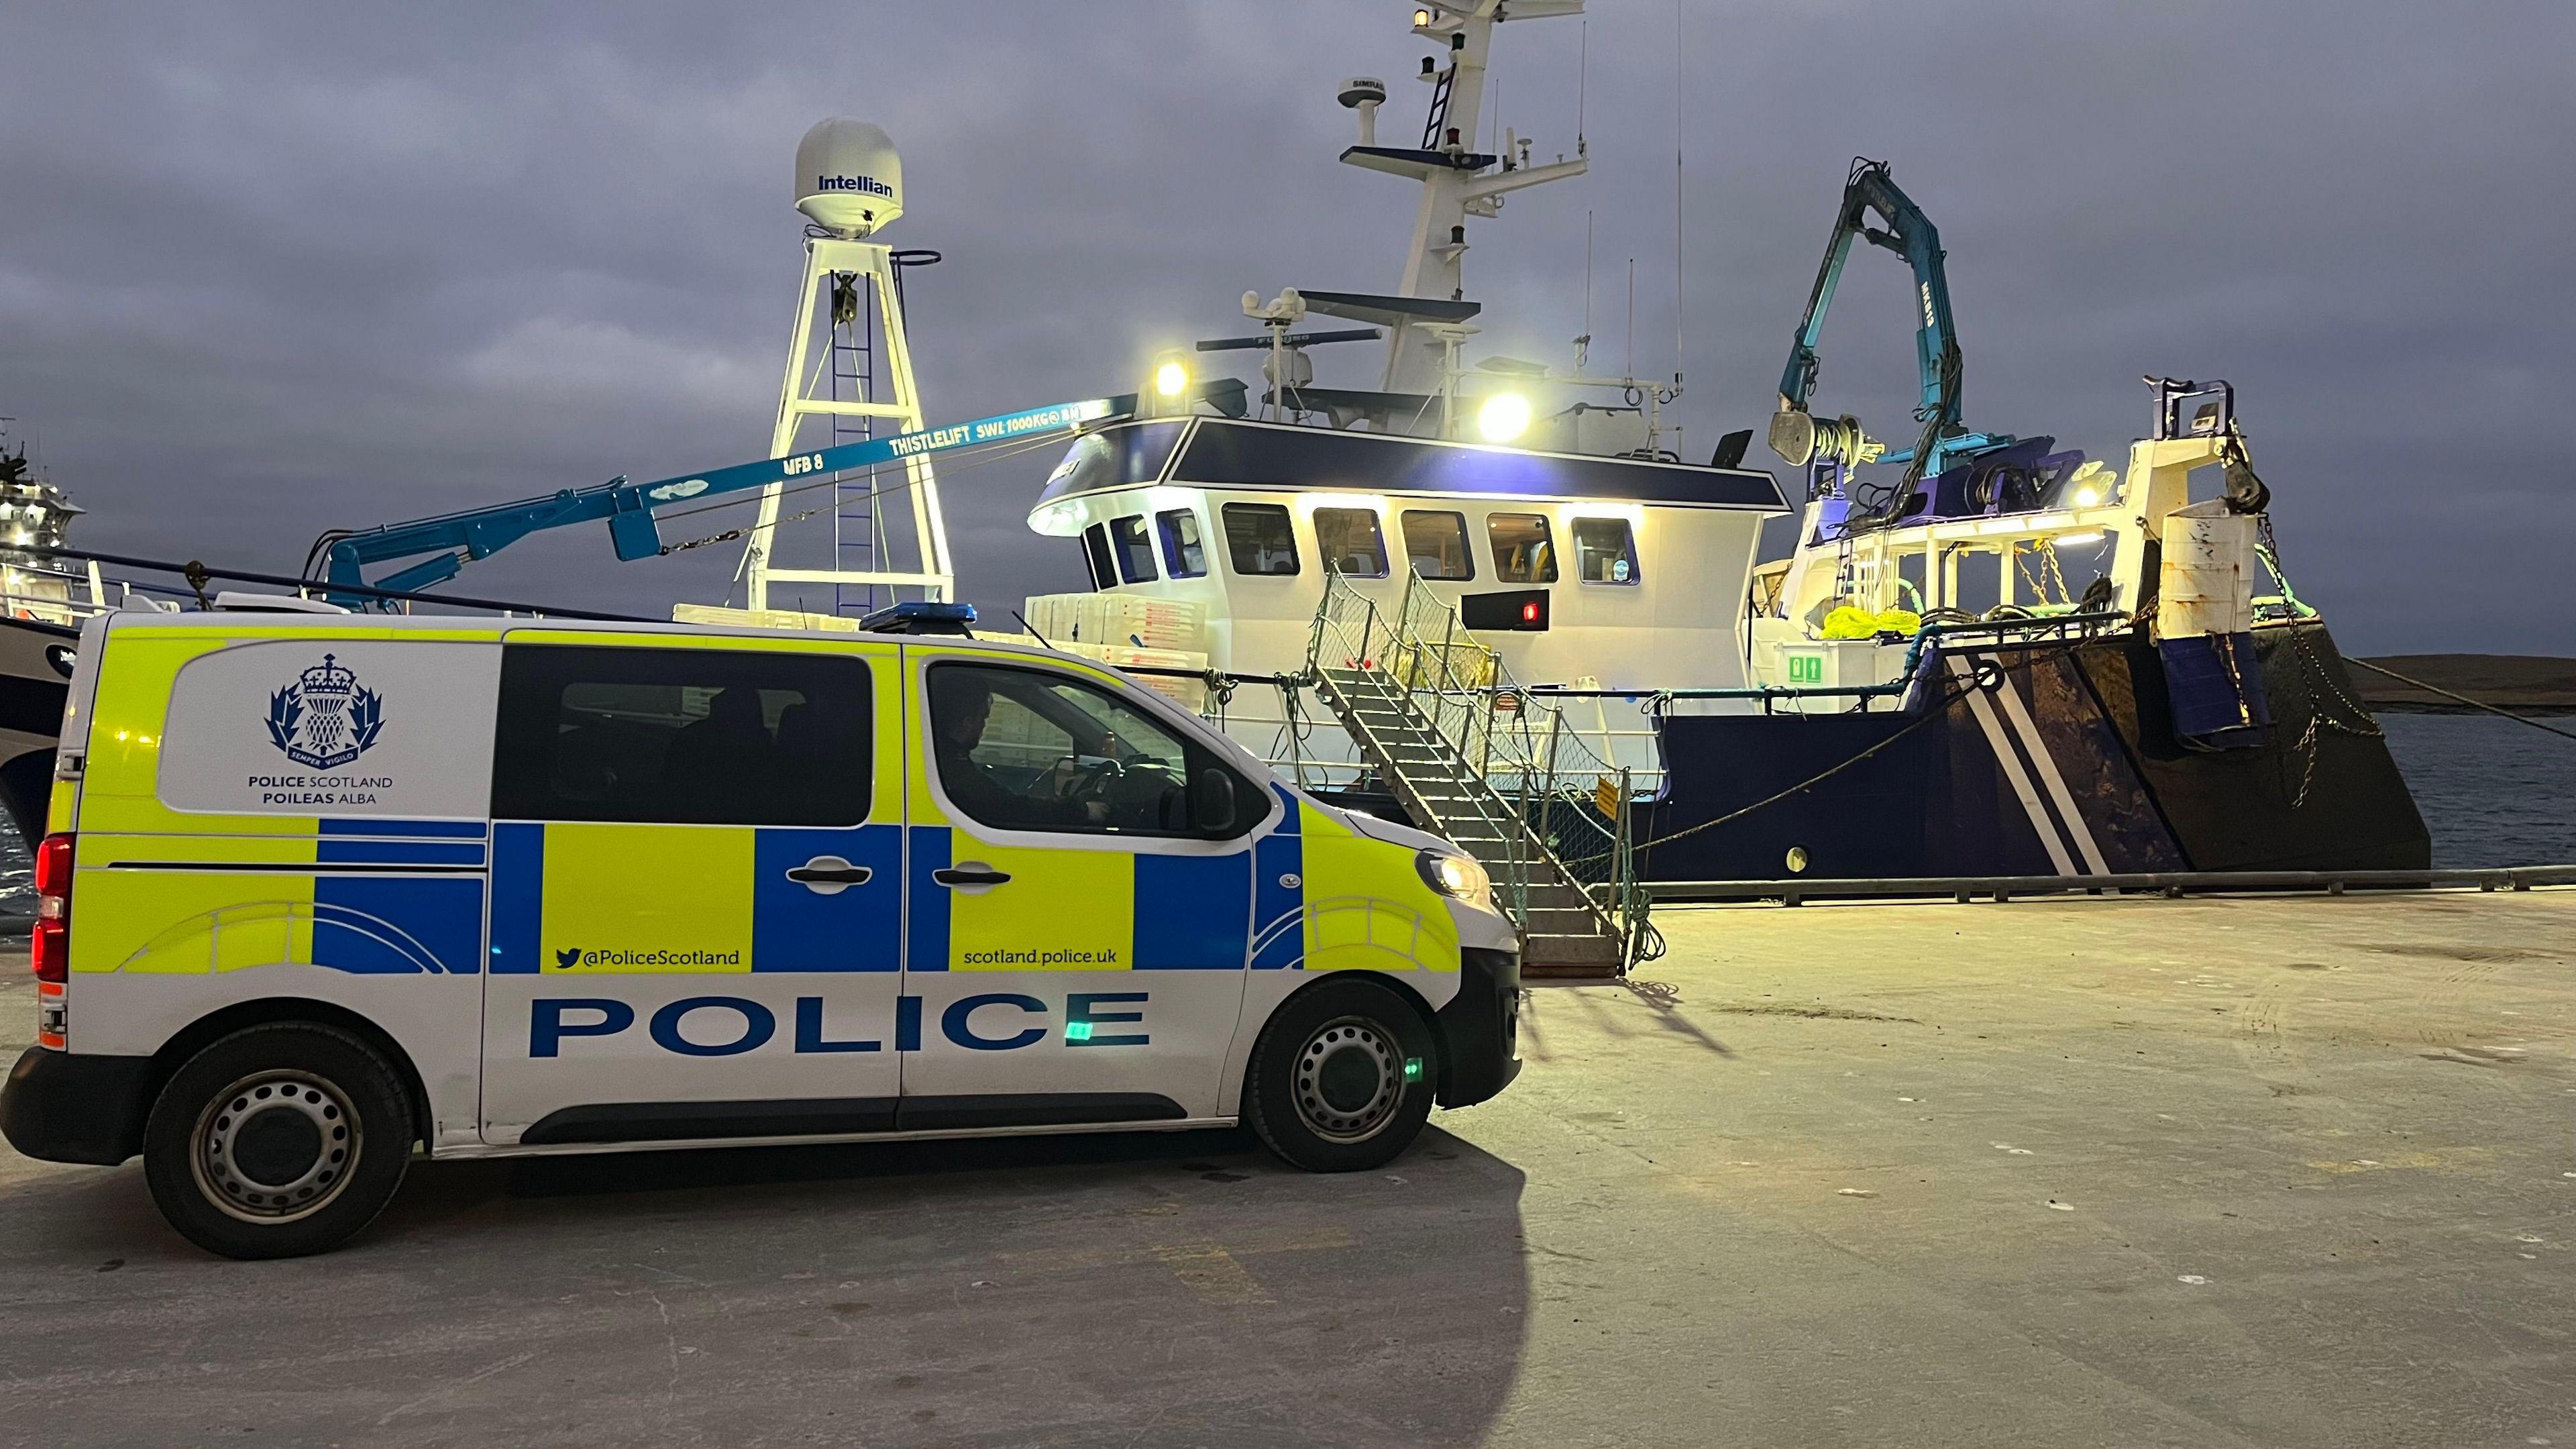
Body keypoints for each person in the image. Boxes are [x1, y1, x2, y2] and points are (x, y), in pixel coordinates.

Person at [931, 672, 1104, 829]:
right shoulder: (951, 766)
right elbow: (1008, 806)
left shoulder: (942, 756)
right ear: (967, 723)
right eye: (983, 718)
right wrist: (1083, 810)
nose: (984, 725)